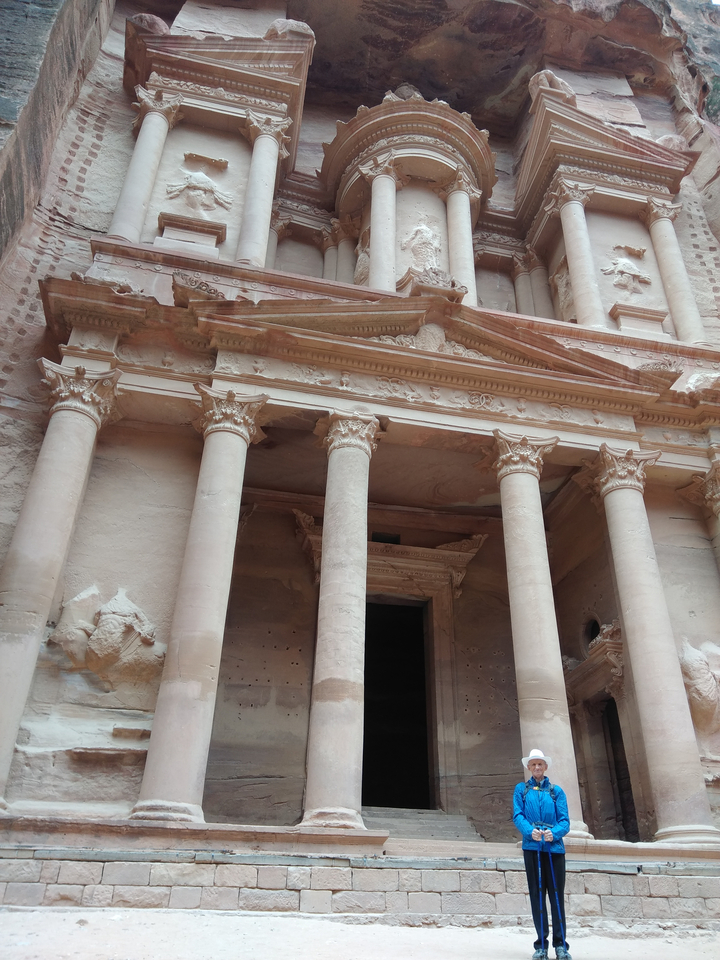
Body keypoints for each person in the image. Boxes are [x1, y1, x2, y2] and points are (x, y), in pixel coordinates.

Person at [513, 748, 571, 960]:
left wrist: (554, 833)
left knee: (556, 895)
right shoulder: (521, 789)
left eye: (540, 764)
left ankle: (561, 945)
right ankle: (541, 945)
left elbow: (565, 821)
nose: (537, 767)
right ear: (529, 767)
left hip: (554, 848)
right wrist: (530, 832)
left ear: (545, 767)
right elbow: (518, 815)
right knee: (537, 896)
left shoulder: (556, 791)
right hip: (532, 847)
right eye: (533, 764)